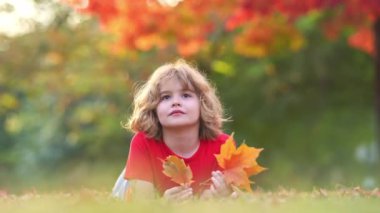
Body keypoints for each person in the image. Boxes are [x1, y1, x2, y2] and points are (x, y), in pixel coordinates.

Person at [122, 59, 234, 200]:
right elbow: (142, 205)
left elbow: (223, 199)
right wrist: (163, 206)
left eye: (186, 95)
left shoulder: (224, 145)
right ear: (153, 108)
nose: (176, 102)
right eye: (166, 97)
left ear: (202, 104)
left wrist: (224, 195)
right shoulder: (142, 142)